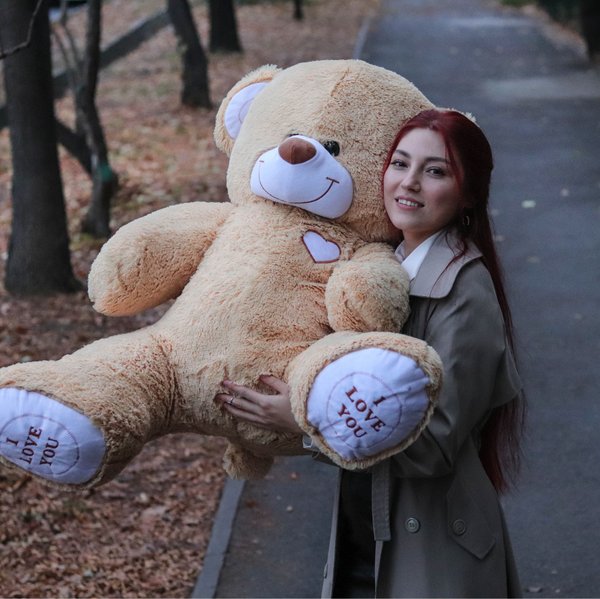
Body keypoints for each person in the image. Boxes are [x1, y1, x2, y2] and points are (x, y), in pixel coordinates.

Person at [216, 108, 525, 598]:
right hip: (368, 528)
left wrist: (307, 421)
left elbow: (434, 445)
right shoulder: (380, 269)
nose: (410, 182)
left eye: (435, 171)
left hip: (436, 549)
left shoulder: (466, 291)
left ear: (468, 194)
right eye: (400, 163)